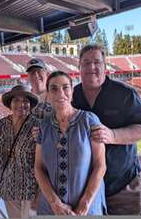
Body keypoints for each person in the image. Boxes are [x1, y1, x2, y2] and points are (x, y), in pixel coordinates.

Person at [72, 44, 141, 215]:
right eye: (86, 63)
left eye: (96, 62)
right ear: (79, 67)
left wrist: (113, 135)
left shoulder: (124, 93)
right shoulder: (72, 96)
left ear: (105, 66)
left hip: (123, 186)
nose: (91, 67)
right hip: (85, 188)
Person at [34, 71, 107, 216]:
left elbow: (100, 165)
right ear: (48, 95)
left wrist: (84, 204)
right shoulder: (44, 126)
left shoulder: (89, 120)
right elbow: (38, 167)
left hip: (87, 209)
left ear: (72, 91)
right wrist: (55, 203)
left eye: (65, 87)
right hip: (50, 209)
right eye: (54, 89)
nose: (60, 93)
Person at [0, 84, 39, 218]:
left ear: (30, 104)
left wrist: (40, 193)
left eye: (25, 101)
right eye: (16, 100)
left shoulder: (38, 126)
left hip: (30, 190)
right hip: (6, 187)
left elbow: (44, 160)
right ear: (10, 104)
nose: (21, 104)